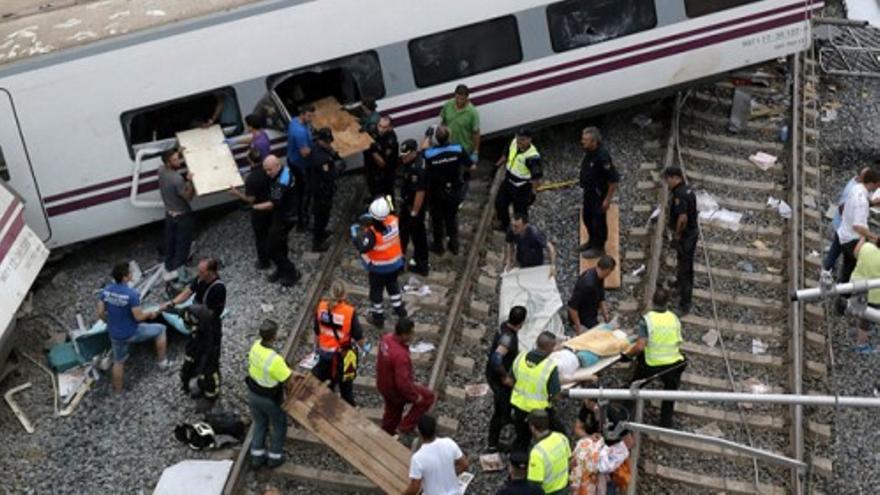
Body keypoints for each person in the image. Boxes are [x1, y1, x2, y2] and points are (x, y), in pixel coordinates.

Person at [97, 262, 169, 393]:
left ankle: (118, 391)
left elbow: (100, 312)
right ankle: (162, 362)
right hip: (131, 332)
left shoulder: (106, 291)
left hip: (115, 334)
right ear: (125, 277)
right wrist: (151, 314)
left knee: (118, 362)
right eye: (130, 272)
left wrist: (109, 323)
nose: (131, 274)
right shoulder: (131, 294)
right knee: (161, 329)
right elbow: (138, 317)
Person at [623, 288, 686, 428]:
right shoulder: (674, 318)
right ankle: (666, 423)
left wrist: (627, 355)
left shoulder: (648, 320)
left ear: (652, 302)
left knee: (633, 387)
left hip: (652, 363)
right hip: (673, 363)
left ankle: (623, 415)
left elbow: (640, 347)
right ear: (667, 303)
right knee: (670, 393)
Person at [351, 196, 407, 327]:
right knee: (393, 285)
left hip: (378, 268)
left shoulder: (372, 233)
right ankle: (400, 310)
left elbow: (363, 247)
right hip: (395, 264)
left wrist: (355, 236)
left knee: (376, 292)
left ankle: (378, 317)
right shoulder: (394, 221)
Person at [246, 319, 293, 468]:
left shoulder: (255, 346)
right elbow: (288, 379)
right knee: (279, 425)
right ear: (274, 336)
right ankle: (274, 458)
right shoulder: (275, 360)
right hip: (269, 398)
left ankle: (256, 458)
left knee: (260, 423)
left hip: (253, 393)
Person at [376, 318, 436, 435]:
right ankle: (404, 427)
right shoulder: (400, 356)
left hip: (383, 383)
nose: (413, 336)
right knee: (427, 398)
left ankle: (388, 432)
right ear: (403, 335)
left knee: (392, 412)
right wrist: (415, 397)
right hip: (394, 390)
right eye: (411, 333)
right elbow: (402, 383)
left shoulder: (386, 339)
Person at [510, 331, 565, 453]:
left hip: (518, 406)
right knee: (560, 433)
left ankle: (519, 464)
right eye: (553, 346)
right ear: (549, 348)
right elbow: (555, 395)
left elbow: (511, 379)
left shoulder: (521, 357)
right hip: (540, 412)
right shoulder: (549, 366)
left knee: (522, 437)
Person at [229, 116, 273, 269]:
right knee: (269, 228)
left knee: (260, 235)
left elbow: (250, 199)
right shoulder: (261, 135)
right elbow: (251, 140)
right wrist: (234, 142)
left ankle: (264, 261)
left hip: (259, 207)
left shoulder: (252, 179)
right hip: (268, 200)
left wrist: (236, 193)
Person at [312, 280, 365, 405]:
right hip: (343, 355)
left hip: (324, 355)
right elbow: (359, 337)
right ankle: (349, 406)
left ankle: (329, 405)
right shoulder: (349, 312)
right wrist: (363, 350)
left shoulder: (321, 307)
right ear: (345, 294)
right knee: (346, 386)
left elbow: (316, 332)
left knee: (327, 383)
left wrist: (316, 349)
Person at [423, 125, 472, 255]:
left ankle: (439, 246)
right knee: (451, 217)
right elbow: (471, 165)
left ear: (436, 140)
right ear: (449, 137)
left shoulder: (430, 154)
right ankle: (454, 245)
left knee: (437, 219)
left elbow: (422, 151)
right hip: (454, 190)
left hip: (436, 192)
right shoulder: (458, 149)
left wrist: (427, 135)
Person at [253, 155, 300, 287]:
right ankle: (281, 270)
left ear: (277, 165)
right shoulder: (285, 171)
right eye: (265, 170)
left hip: (285, 217)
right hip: (284, 213)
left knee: (271, 248)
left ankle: (291, 272)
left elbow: (272, 203)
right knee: (280, 243)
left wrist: (254, 207)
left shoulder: (281, 182)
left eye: (269, 170)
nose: (267, 174)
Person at [486, 306, 527, 453]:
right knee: (500, 412)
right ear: (522, 322)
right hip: (498, 380)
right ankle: (493, 444)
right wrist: (505, 377)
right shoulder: (508, 338)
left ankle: (506, 419)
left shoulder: (504, 327)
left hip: (493, 376)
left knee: (505, 408)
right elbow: (496, 359)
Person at [570, 402, 633, 495]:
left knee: (614, 484)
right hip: (599, 465)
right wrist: (591, 439)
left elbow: (630, 443)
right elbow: (577, 428)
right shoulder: (587, 408)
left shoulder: (615, 418)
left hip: (611, 462)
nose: (596, 418)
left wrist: (610, 451)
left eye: (597, 414)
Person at [403, 415, 469, 495]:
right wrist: (450, 475)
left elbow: (414, 488)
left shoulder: (417, 458)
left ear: (419, 432)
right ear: (435, 428)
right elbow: (464, 465)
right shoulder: (449, 443)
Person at [579, 127, 619, 259]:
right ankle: (592, 241)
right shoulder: (589, 151)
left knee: (598, 222)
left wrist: (607, 199)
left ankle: (599, 247)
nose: (582, 141)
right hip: (589, 193)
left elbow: (613, 180)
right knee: (587, 217)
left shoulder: (603, 157)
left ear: (594, 141)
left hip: (599, 195)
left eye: (585, 140)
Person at [663, 166, 698, 315]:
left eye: (667, 180)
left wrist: (677, 235)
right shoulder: (687, 189)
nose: (667, 183)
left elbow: (682, 218)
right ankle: (678, 283)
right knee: (681, 262)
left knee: (685, 269)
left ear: (674, 178)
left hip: (686, 236)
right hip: (690, 233)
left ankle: (685, 304)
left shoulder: (680, 194)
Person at [837, 169, 880, 286]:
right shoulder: (862, 201)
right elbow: (858, 226)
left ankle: (841, 289)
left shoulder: (856, 188)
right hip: (852, 239)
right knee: (858, 267)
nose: (877, 187)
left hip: (844, 233)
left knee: (847, 266)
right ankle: (848, 293)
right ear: (872, 183)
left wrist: (873, 203)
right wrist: (874, 237)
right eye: (877, 184)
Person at [158, 148, 195, 281]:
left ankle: (169, 266)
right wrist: (190, 181)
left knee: (171, 242)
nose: (179, 161)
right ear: (168, 163)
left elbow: (164, 162)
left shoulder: (161, 171)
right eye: (175, 159)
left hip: (169, 214)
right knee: (182, 245)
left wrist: (177, 150)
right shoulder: (177, 178)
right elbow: (188, 197)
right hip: (182, 216)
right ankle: (179, 274)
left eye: (178, 157)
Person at [496, 128, 542, 230]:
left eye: (522, 139)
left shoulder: (532, 157)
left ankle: (521, 232)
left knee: (520, 213)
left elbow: (536, 177)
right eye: (518, 138)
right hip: (508, 182)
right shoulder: (513, 142)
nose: (519, 142)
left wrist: (533, 192)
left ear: (529, 140)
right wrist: (497, 165)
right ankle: (505, 225)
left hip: (522, 188)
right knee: (500, 203)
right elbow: (506, 155)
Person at [178, 304, 222, 411]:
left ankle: (210, 398)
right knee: (191, 373)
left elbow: (208, 349)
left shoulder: (208, 331)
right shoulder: (197, 325)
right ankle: (197, 388)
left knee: (209, 377)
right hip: (197, 355)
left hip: (207, 358)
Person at [166, 257, 227, 332]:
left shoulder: (218, 288)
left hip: (207, 312)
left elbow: (210, 312)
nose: (199, 273)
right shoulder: (200, 278)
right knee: (169, 307)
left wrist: (189, 310)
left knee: (185, 314)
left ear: (210, 272)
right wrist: (172, 303)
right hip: (196, 304)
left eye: (201, 272)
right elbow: (188, 292)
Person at [310, 127, 345, 252]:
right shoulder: (322, 158)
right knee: (322, 216)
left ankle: (321, 233)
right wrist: (340, 169)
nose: (329, 144)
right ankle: (317, 243)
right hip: (322, 191)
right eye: (326, 142)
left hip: (319, 187)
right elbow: (330, 176)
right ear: (320, 140)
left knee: (322, 215)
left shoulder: (318, 148)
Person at [399, 139, 430, 276]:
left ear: (412, 153)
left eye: (405, 155)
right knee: (404, 235)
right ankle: (401, 261)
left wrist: (414, 213)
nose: (402, 157)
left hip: (413, 208)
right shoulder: (418, 157)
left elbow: (420, 193)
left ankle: (421, 264)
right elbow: (424, 146)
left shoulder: (417, 169)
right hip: (408, 205)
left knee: (417, 236)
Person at [526, 410, 571, 495]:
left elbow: (534, 485)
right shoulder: (561, 438)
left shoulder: (537, 453)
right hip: (565, 490)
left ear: (532, 427)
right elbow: (570, 461)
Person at [567, 256, 616, 334]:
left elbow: (601, 298)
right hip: (582, 318)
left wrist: (606, 316)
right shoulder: (587, 284)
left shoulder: (600, 277)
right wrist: (578, 327)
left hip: (591, 313)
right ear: (607, 270)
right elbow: (572, 307)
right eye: (611, 271)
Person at [286, 104, 315, 232]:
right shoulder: (300, 132)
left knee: (299, 189)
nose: (311, 118)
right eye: (309, 116)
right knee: (304, 192)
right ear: (302, 114)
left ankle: (299, 214)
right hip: (300, 164)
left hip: (293, 160)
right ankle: (303, 221)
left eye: (312, 116)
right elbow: (304, 152)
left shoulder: (294, 121)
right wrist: (316, 147)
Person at [850, 238, 880, 352]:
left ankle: (858, 331)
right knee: (867, 318)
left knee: (860, 309)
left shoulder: (867, 247)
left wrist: (863, 237)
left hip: (857, 286)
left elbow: (855, 253)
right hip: (875, 295)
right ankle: (861, 344)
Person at [439, 84, 481, 166]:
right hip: (449, 146)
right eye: (457, 98)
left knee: (463, 168)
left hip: (464, 148)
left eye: (462, 99)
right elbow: (443, 122)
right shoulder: (448, 105)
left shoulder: (472, 112)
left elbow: (476, 133)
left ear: (467, 98)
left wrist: (475, 151)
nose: (459, 101)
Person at [364, 115, 399, 199]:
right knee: (373, 188)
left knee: (388, 193)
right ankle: (374, 202)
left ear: (390, 128)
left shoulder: (391, 139)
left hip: (386, 170)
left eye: (384, 127)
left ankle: (391, 209)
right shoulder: (375, 131)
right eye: (379, 126)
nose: (381, 129)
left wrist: (372, 151)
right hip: (373, 169)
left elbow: (382, 163)